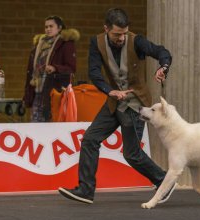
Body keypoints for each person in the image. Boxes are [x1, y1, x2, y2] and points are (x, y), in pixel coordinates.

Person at [58, 8, 175, 204]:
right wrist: (108, 90)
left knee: (131, 154)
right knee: (90, 139)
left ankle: (164, 181)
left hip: (135, 104)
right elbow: (94, 72)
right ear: (106, 29)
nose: (121, 38)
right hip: (114, 101)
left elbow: (162, 52)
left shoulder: (136, 41)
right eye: (116, 34)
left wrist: (163, 67)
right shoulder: (97, 42)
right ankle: (86, 190)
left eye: (124, 33)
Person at [23, 15, 79, 122]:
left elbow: (71, 68)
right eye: (46, 27)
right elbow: (31, 70)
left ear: (59, 28)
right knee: (35, 123)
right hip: (38, 90)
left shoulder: (66, 43)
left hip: (55, 91)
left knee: (51, 122)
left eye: (51, 26)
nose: (48, 29)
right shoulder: (39, 44)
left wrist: (55, 68)